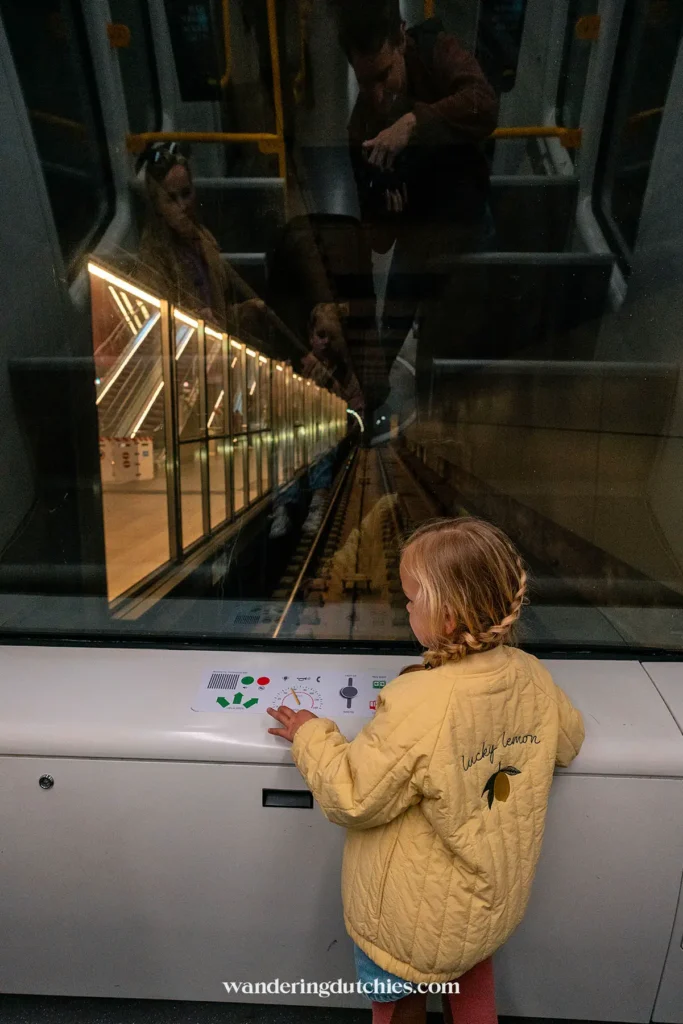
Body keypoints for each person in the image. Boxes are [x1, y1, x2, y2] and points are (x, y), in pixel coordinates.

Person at [267, 517, 585, 1023]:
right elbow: (568, 741)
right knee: (472, 987)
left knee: (399, 1007)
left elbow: (352, 797)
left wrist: (310, 733)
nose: (406, 607)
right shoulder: (531, 675)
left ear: (448, 618)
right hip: (485, 906)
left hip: (413, 921)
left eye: (412, 600)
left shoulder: (421, 701)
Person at [338, 1, 498, 419]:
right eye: (364, 82)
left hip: (465, 222)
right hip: (416, 232)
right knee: (390, 329)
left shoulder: (436, 52)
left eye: (385, 75)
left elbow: (484, 102)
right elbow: (378, 237)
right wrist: (388, 214)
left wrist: (412, 123)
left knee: (462, 340)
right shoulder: (361, 130)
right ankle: (363, 407)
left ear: (401, 40)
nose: (377, 94)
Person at [136, 142, 264, 333]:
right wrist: (192, 321)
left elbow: (218, 314)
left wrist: (245, 312)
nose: (183, 206)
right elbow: (156, 329)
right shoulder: (154, 258)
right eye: (171, 199)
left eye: (186, 194)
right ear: (157, 207)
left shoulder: (203, 238)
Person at [270, 302, 364, 540]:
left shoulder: (344, 374)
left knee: (322, 443)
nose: (325, 343)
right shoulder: (295, 365)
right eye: (321, 336)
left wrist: (334, 392)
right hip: (296, 433)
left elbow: (357, 410)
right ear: (311, 336)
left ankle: (317, 502)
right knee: (285, 448)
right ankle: (282, 507)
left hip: (325, 436)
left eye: (331, 337)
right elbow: (278, 400)